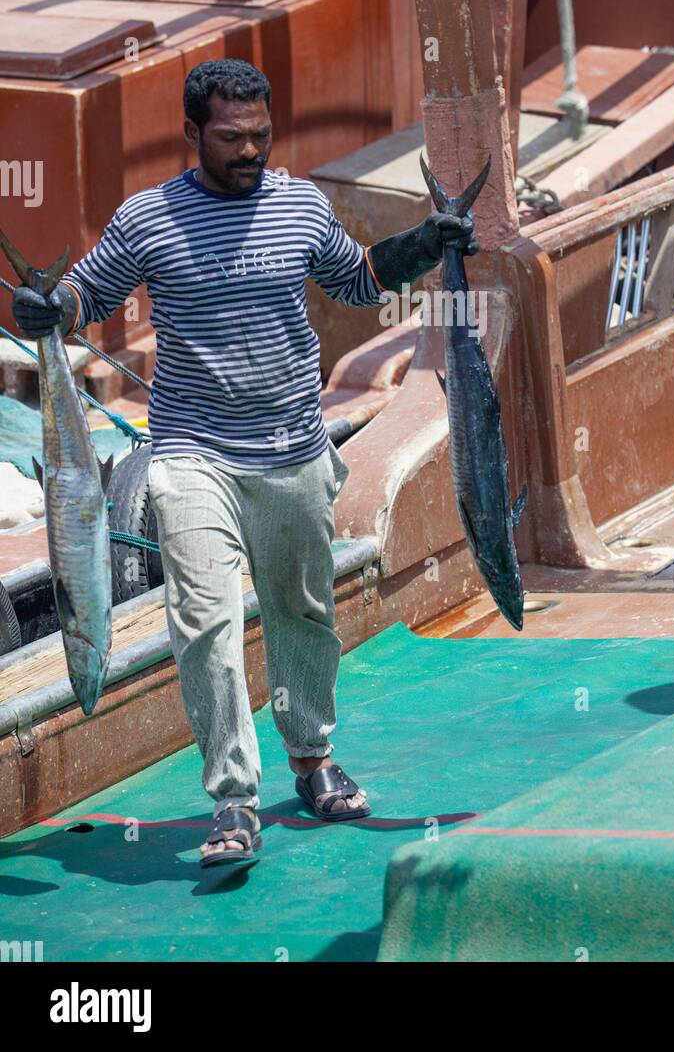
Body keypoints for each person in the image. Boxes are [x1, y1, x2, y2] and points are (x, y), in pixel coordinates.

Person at [12, 58, 478, 867]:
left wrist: (420, 246)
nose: (252, 151)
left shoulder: (300, 205)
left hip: (294, 448)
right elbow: (88, 294)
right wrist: (51, 310)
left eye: (262, 135)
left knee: (302, 616)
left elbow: (360, 283)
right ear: (192, 134)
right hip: (192, 454)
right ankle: (233, 799)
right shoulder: (149, 219)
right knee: (204, 619)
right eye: (232, 139)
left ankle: (311, 758)